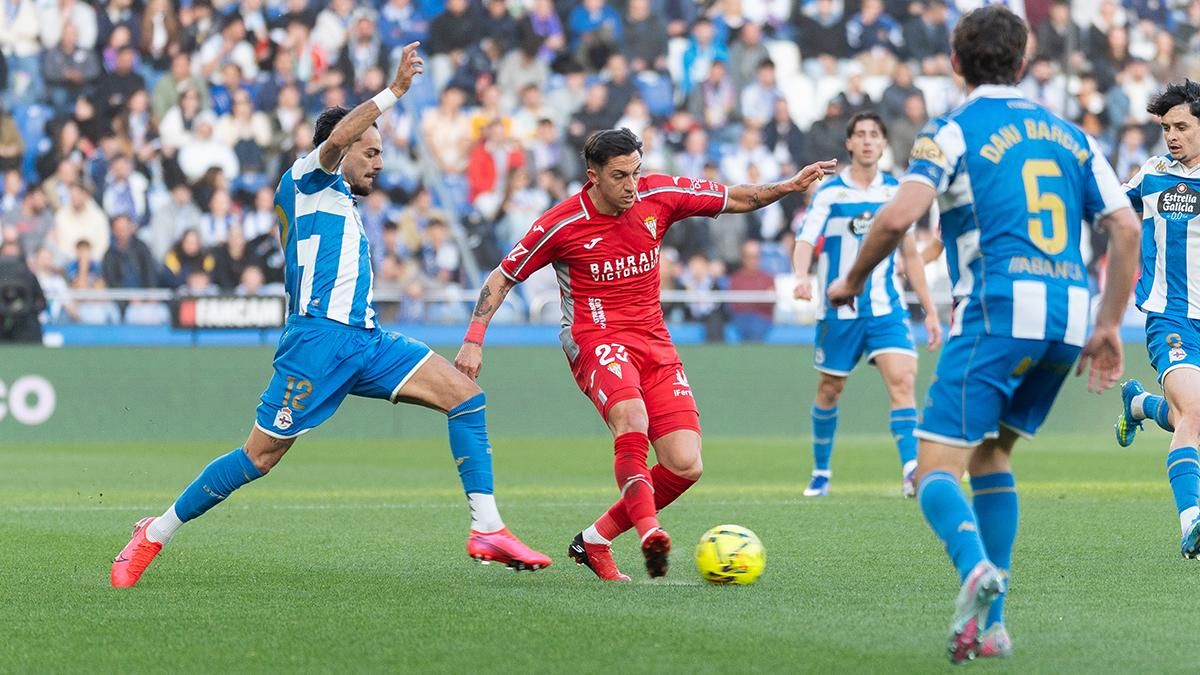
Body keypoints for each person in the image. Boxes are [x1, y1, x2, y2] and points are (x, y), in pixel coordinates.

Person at [111, 44, 550, 588]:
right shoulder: (306, 180)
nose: (379, 161)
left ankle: (487, 528)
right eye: (370, 151)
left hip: (366, 341)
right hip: (316, 342)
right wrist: (394, 93)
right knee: (259, 457)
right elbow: (340, 136)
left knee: (465, 396)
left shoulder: (341, 200)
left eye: (380, 152)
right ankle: (155, 532)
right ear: (338, 148)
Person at [825, 7, 1140, 663]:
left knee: (933, 469)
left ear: (955, 62)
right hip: (1067, 317)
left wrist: (852, 278)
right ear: (1023, 62)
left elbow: (899, 215)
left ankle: (972, 565)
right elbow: (1126, 228)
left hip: (996, 310)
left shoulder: (953, 130)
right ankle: (991, 627)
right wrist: (1109, 323)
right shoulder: (1073, 136)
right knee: (993, 455)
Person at [454, 127, 835, 580]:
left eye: (636, 172)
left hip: (654, 341)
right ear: (592, 176)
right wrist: (474, 339)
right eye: (620, 176)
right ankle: (649, 531)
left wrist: (789, 186)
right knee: (631, 419)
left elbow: (739, 198)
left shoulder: (659, 193)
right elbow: (501, 278)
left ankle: (594, 540)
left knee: (685, 463)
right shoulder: (560, 224)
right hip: (596, 340)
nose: (632, 185)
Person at [793, 111, 943, 499]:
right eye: (859, 134)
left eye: (874, 134)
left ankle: (912, 470)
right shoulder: (829, 193)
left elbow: (910, 256)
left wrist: (929, 310)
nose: (866, 141)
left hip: (885, 307)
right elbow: (806, 240)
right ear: (848, 143)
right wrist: (801, 276)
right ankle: (821, 471)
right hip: (839, 311)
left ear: (883, 144)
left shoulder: (896, 192)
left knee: (904, 381)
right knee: (830, 390)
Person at [1112, 80, 1200, 561]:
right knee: (1197, 412)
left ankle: (1141, 405)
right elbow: (1108, 207)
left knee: (1191, 416)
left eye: (1182, 126)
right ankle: (1192, 522)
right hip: (1172, 318)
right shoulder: (1153, 176)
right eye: (1166, 127)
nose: (1172, 135)